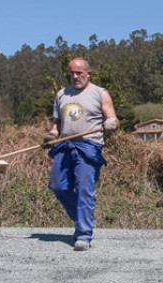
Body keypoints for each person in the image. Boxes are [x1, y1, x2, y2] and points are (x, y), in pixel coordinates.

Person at [44, 58, 118, 251]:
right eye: (72, 73)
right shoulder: (62, 94)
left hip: (88, 147)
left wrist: (111, 123)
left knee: (85, 189)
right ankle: (82, 220)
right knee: (57, 186)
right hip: (64, 145)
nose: (75, 76)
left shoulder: (100, 93)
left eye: (79, 73)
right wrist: (51, 135)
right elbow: (57, 123)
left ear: (88, 73)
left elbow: (112, 118)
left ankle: (84, 234)